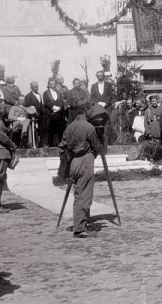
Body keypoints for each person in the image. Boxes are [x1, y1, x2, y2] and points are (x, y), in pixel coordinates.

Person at [59, 102, 101, 239]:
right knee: (85, 196)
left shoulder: (69, 126)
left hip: (73, 162)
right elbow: (96, 146)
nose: (91, 112)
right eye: (91, 109)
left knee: (78, 194)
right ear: (86, 110)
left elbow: (62, 147)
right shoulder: (88, 127)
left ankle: (82, 223)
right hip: (85, 160)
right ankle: (80, 228)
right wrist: (92, 155)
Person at [43, 79, 67, 148]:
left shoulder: (58, 92)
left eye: (54, 84)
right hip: (50, 113)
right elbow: (46, 102)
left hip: (58, 113)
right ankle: (50, 144)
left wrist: (59, 107)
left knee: (59, 129)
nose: (54, 85)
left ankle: (59, 144)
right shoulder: (46, 93)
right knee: (50, 128)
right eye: (52, 84)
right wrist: (53, 107)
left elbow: (62, 101)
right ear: (49, 85)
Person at [24, 81, 45, 147]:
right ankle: (33, 144)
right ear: (31, 87)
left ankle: (40, 144)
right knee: (34, 130)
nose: (37, 88)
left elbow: (41, 104)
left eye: (37, 86)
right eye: (35, 87)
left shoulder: (39, 94)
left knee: (41, 130)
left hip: (40, 115)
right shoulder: (28, 96)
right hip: (33, 116)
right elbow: (28, 107)